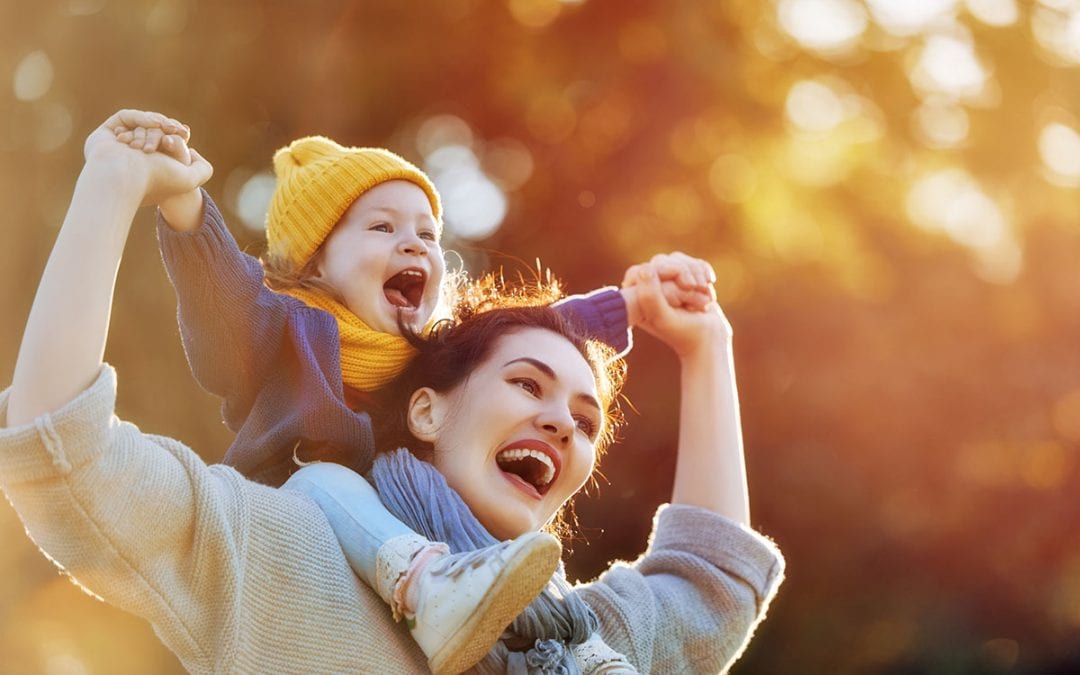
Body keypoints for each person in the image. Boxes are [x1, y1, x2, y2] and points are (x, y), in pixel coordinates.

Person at [0, 110, 783, 673]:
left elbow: (708, 585)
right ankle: (425, 582)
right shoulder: (276, 557)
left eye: (587, 418)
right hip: (313, 499)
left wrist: (702, 345)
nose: (561, 421)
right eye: (526, 384)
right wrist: (129, 191)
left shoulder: (590, 638)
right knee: (326, 479)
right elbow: (64, 452)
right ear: (428, 408)